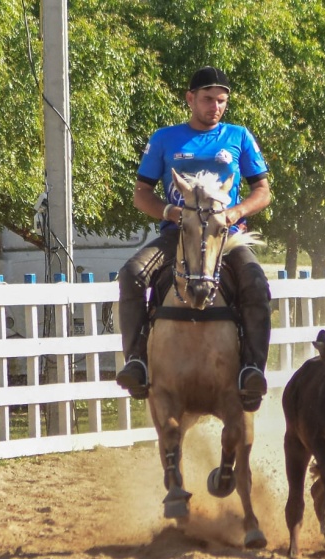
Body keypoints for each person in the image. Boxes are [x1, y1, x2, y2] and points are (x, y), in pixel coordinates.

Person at [116, 66, 271, 412]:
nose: (215, 107)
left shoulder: (239, 136)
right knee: (132, 274)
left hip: (225, 236)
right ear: (190, 99)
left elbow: (263, 190)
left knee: (256, 284)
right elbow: (141, 193)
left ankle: (251, 370)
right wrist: (170, 212)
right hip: (179, 234)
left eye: (221, 101)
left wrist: (235, 213)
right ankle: (137, 361)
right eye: (207, 99)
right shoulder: (165, 138)